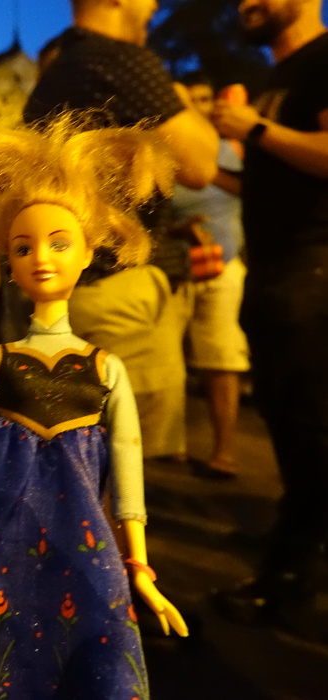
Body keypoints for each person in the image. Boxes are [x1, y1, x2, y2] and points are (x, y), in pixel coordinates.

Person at [0, 117, 188, 700]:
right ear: (8, 258)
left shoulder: (104, 367)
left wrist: (140, 568)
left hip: (83, 543)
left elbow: (128, 469)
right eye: (23, 247)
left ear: (88, 252)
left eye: (59, 243)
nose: (41, 259)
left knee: (83, 653)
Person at [24, 0, 219, 461]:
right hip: (116, 291)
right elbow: (201, 164)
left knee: (81, 456)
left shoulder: (59, 70)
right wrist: (178, 98)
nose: (153, 7)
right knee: (120, 462)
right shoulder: (118, 59)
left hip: (72, 288)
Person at [210, 0, 328, 632]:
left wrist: (253, 128)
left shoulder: (324, 58)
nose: (245, 4)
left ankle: (291, 580)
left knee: (313, 432)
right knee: (292, 429)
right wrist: (211, 171)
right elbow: (271, 176)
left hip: (314, 274)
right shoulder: (277, 78)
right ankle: (292, 561)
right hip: (277, 276)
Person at [170, 72, 250, 479]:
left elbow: (252, 191)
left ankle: (225, 452)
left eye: (203, 99)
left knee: (220, 359)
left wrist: (204, 166)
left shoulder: (229, 148)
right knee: (169, 364)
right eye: (188, 101)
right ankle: (171, 446)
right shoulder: (162, 151)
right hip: (174, 271)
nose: (198, 107)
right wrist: (178, 229)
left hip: (223, 267)